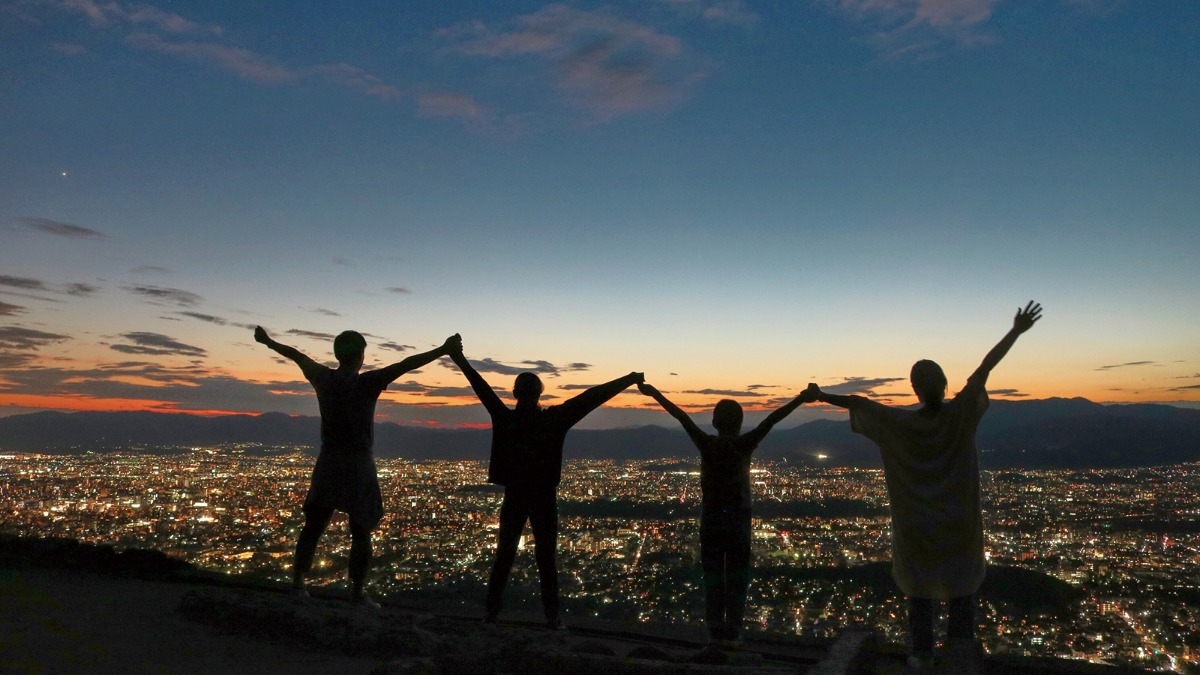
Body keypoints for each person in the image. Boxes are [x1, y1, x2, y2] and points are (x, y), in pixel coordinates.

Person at [804, 301, 1042, 669]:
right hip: (959, 526)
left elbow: (859, 403)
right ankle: (960, 658)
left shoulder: (901, 425)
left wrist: (820, 396)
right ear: (945, 385)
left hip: (917, 528)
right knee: (961, 592)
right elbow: (984, 370)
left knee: (919, 593)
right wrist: (1015, 331)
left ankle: (922, 657)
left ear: (914, 389)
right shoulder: (961, 416)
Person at [254, 326, 461, 606]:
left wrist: (268, 342)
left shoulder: (323, 378)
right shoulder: (367, 383)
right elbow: (406, 364)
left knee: (313, 526)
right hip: (358, 462)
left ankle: (298, 584)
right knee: (361, 529)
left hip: (329, 459)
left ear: (338, 354)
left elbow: (296, 355)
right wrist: (443, 350)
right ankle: (357, 593)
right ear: (361, 355)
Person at [447, 342, 642, 627]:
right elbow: (590, 398)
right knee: (546, 559)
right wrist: (628, 379)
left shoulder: (506, 419)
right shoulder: (553, 420)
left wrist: (459, 358)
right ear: (540, 393)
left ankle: (491, 614)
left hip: (515, 494)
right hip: (543, 496)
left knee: (505, 554)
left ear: (515, 393)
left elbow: (482, 388)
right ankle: (552, 617)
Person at [638, 382, 814, 644]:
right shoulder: (744, 444)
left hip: (711, 519)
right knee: (737, 576)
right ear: (740, 423)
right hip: (738, 520)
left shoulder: (707, 444)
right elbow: (773, 419)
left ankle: (714, 632)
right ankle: (733, 631)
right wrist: (801, 399)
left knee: (712, 576)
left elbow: (681, 416)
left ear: (713, 422)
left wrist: (655, 394)